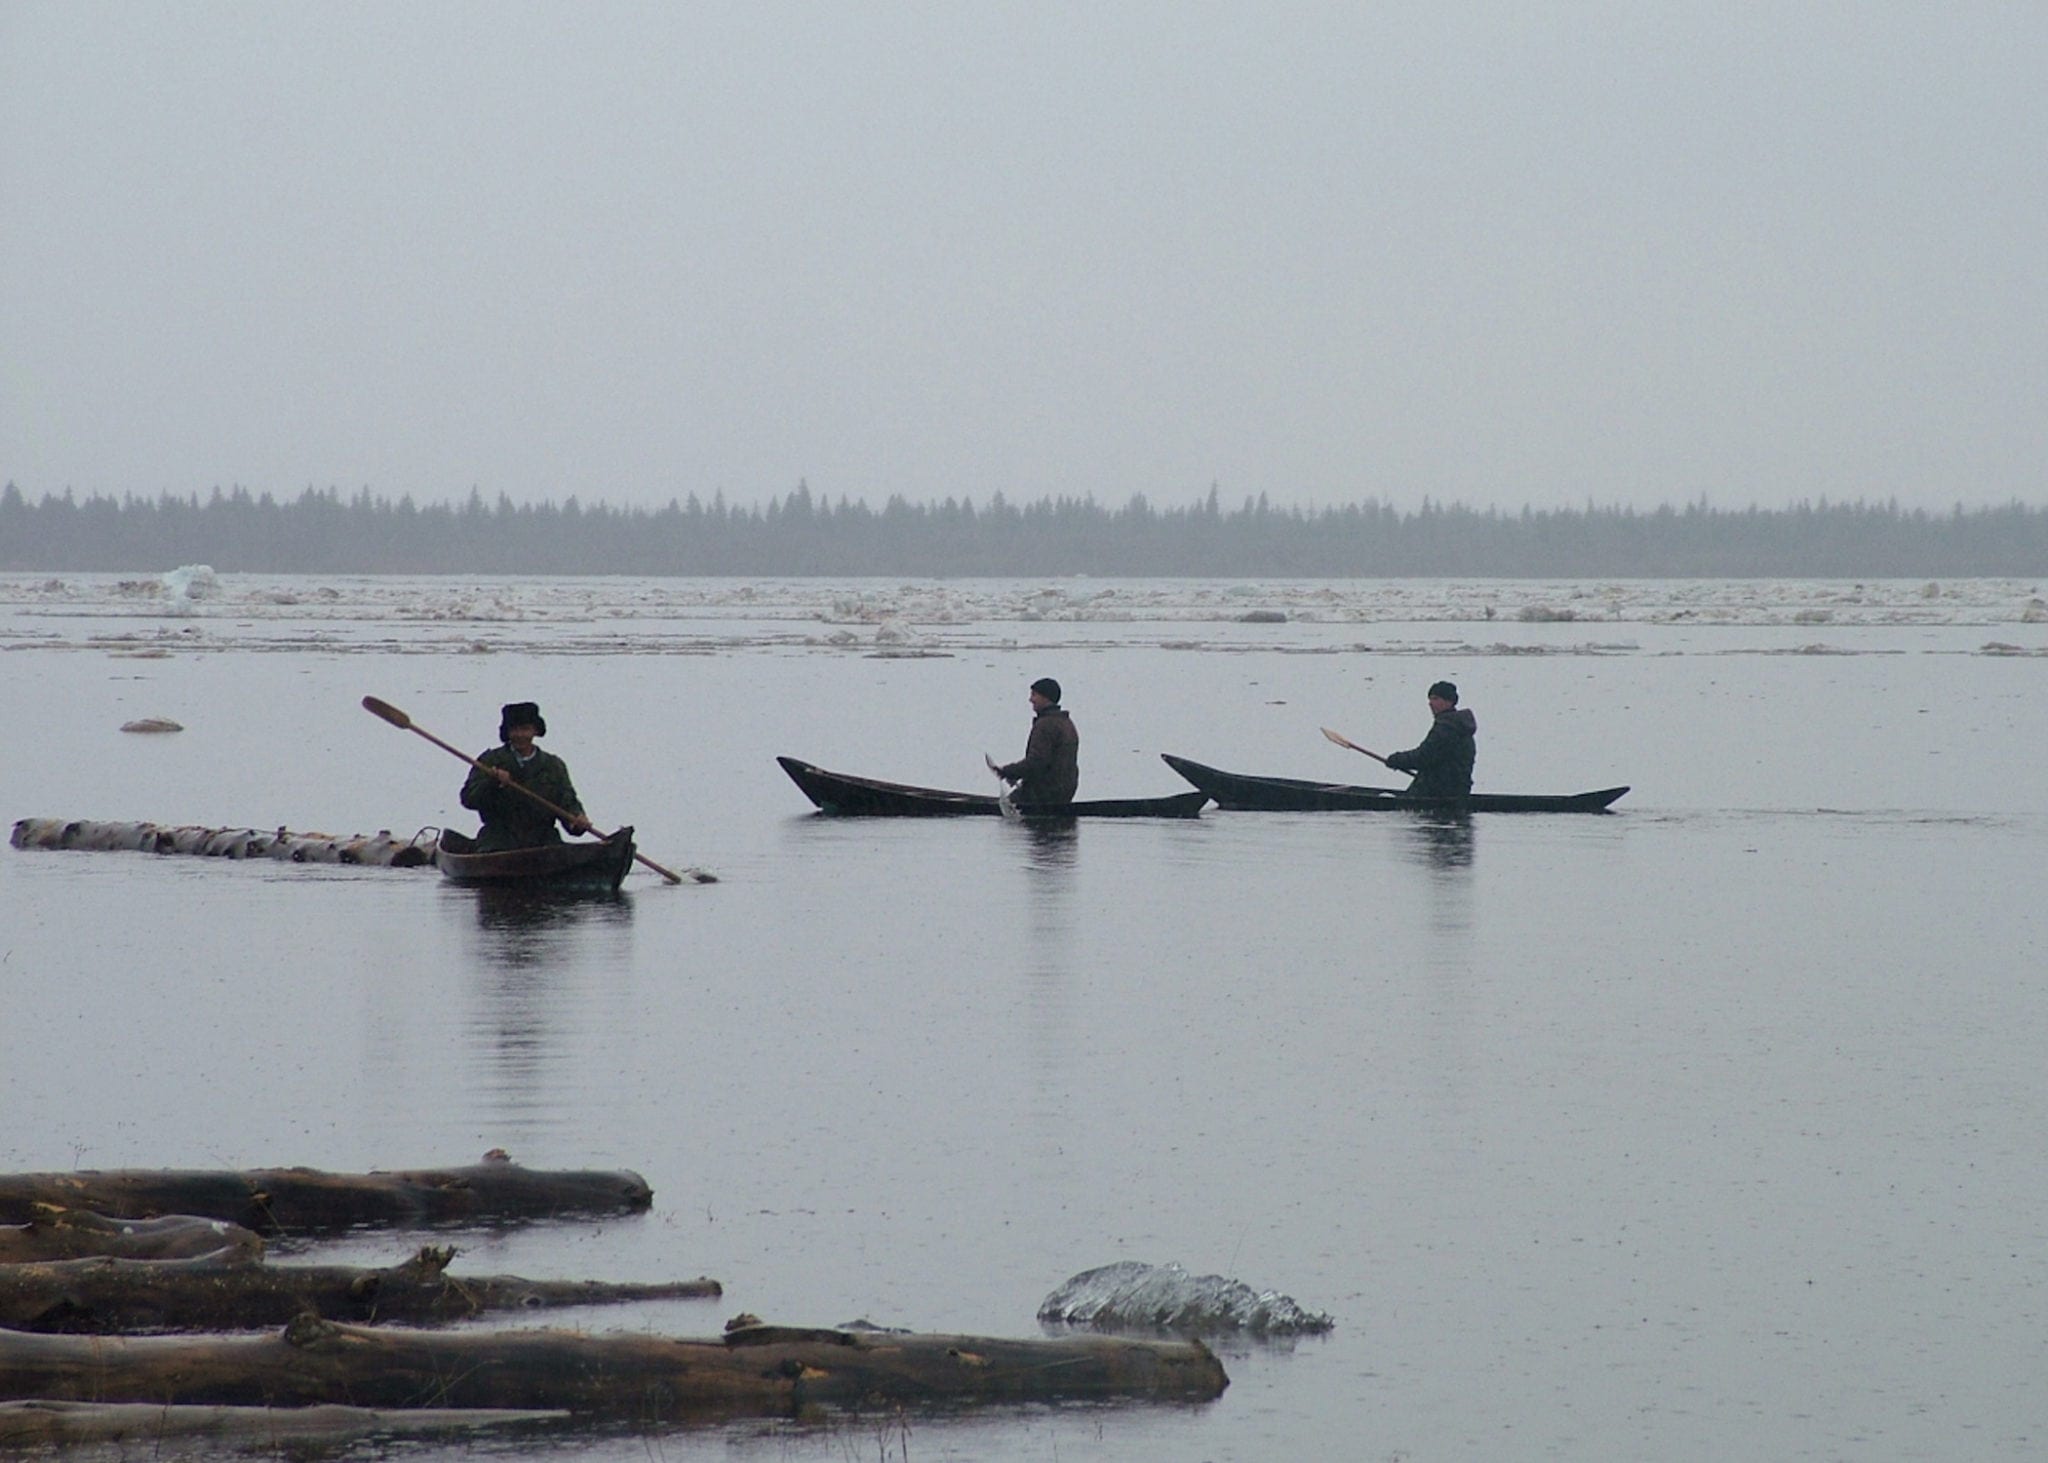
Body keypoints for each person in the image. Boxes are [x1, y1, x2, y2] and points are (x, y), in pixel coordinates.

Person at [460, 701, 594, 851]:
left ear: (535, 731)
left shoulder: (553, 765)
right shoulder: (489, 761)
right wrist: (492, 781)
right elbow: (468, 799)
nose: (520, 735)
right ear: (507, 732)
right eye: (514, 730)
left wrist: (577, 820)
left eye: (525, 729)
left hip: (544, 841)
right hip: (498, 840)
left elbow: (567, 802)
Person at [1382, 680, 1477, 799]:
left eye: (1435, 699)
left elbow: (1424, 756)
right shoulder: (1458, 726)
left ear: (1449, 701)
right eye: (1430, 699)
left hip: (1438, 793)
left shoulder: (1448, 728)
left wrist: (1396, 760)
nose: (1431, 703)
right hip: (1455, 791)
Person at [996, 677, 1080, 806]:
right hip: (1064, 792)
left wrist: (1008, 772)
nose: (1030, 699)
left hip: (1043, 794)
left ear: (1046, 697)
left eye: (1034, 695)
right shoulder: (1066, 722)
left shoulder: (1046, 724)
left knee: (1007, 808)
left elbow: (1037, 762)